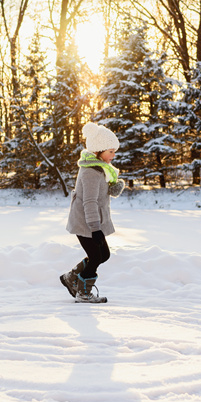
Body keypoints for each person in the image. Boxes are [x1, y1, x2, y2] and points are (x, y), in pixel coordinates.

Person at [61, 122, 125, 303]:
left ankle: (70, 277)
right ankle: (83, 292)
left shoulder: (100, 169)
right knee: (97, 256)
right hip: (85, 222)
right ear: (99, 150)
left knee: (104, 255)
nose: (114, 155)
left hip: (92, 222)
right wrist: (95, 228)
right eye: (111, 151)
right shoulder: (91, 171)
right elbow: (89, 202)